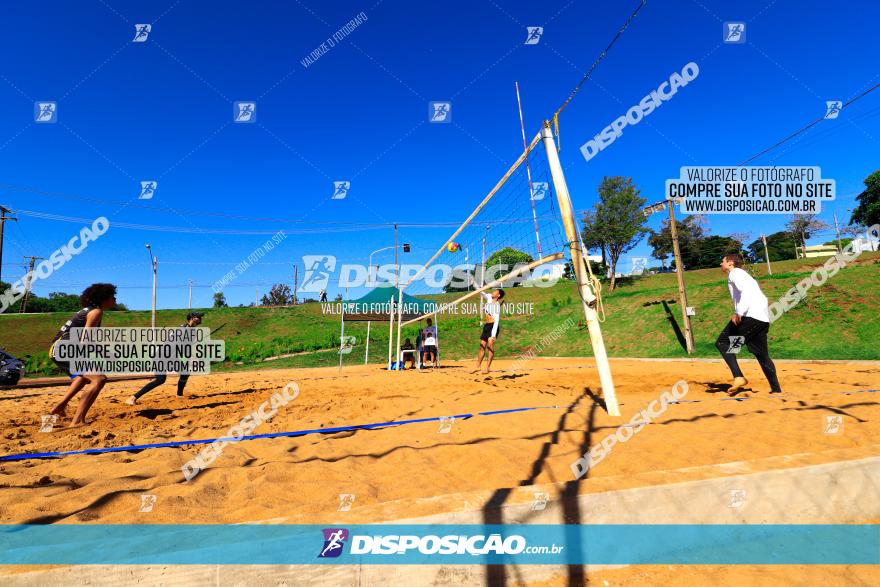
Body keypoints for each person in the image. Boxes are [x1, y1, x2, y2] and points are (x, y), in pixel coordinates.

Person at [49, 283, 118, 426]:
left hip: (61, 348)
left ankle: (59, 406)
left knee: (84, 378)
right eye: (113, 296)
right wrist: (105, 353)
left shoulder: (89, 311)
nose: (115, 298)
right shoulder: (96, 312)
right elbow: (86, 341)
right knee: (99, 379)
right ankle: (77, 421)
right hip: (64, 349)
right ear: (103, 298)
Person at [715, 254, 782, 394]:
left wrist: (739, 312)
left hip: (749, 317)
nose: (721, 264)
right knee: (761, 354)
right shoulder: (745, 275)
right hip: (761, 319)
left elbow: (746, 291)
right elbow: (761, 297)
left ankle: (738, 376)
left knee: (722, 343)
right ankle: (776, 390)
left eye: (723, 261)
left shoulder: (735, 273)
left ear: (730, 263)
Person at [126, 312, 203, 405]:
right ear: (191, 318)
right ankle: (133, 398)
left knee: (185, 372)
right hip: (161, 355)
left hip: (171, 357)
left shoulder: (191, 331)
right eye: (198, 317)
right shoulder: (183, 329)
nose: (200, 318)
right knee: (160, 380)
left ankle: (179, 394)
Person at [471, 289, 504, 375]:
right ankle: (478, 367)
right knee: (482, 346)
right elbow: (481, 292)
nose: (493, 292)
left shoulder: (497, 305)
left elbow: (496, 321)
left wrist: (493, 335)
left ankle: (488, 368)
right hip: (487, 326)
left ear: (498, 295)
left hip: (493, 326)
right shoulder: (489, 297)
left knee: (490, 346)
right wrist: (473, 283)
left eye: (495, 291)